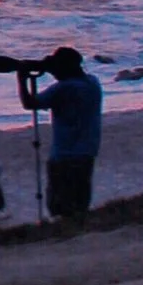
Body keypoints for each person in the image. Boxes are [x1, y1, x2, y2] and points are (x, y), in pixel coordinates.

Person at [30, 46, 104, 219]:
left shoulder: (64, 88)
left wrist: (22, 78)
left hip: (65, 154)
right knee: (80, 200)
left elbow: (30, 103)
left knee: (59, 205)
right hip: (87, 151)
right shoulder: (92, 82)